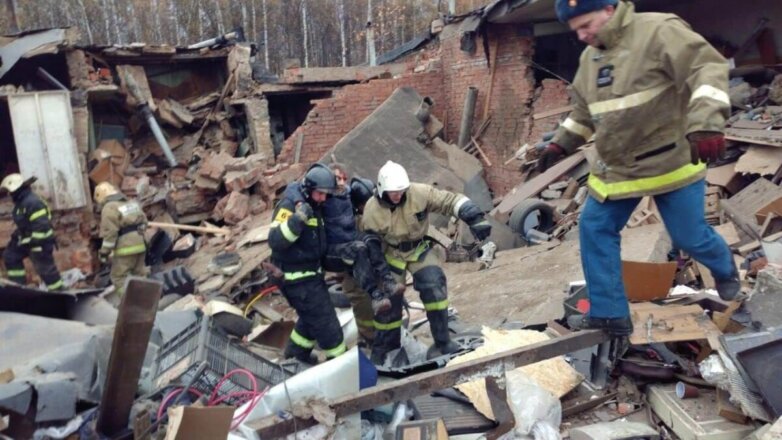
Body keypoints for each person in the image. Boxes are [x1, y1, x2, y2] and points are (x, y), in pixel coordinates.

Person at [538, 0, 738, 336]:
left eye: (586, 25)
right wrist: (562, 142)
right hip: (616, 169)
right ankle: (609, 314)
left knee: (688, 236)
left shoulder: (658, 31)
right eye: (576, 31)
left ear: (609, 9)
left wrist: (706, 123)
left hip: (669, 161)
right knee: (594, 228)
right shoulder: (590, 59)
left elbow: (707, 69)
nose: (583, 36)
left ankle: (725, 269)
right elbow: (585, 113)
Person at [361, 160, 492, 364]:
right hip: (391, 255)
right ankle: (386, 348)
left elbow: (449, 201)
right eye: (393, 192)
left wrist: (474, 216)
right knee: (389, 303)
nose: (398, 195)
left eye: (401, 191)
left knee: (434, 286)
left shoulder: (419, 193)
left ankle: (442, 342)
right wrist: (380, 275)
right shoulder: (371, 210)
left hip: (418, 249)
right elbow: (371, 246)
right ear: (381, 190)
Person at [281, 164, 404, 345]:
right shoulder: (324, 198)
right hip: (339, 253)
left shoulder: (348, 194)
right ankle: (370, 332)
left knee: (369, 241)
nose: (340, 182)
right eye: (336, 179)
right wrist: (300, 203)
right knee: (359, 298)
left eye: (343, 178)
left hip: (356, 249)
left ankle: (388, 281)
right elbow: (292, 188)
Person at [269, 163, 347, 363]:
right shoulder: (289, 206)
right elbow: (275, 241)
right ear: (308, 189)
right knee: (330, 331)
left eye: (325, 194)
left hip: (311, 276)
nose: (323, 198)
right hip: (297, 280)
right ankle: (343, 372)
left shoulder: (316, 204)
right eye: (319, 193)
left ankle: (295, 357)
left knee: (310, 320)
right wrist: (298, 219)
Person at [1, 174, 63, 291]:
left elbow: (41, 226)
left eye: (9, 192)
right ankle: (18, 288)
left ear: (16, 190)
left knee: (45, 268)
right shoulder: (21, 203)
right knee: (10, 256)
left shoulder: (32, 202)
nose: (9, 195)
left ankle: (59, 291)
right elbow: (24, 224)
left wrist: (35, 243)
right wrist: (17, 237)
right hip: (28, 240)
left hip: (40, 241)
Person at [94, 182, 148, 296]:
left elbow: (110, 234)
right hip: (140, 245)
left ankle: (131, 304)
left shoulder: (109, 207)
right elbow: (144, 223)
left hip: (126, 248)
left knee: (118, 277)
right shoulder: (131, 203)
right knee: (140, 275)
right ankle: (146, 301)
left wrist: (104, 253)